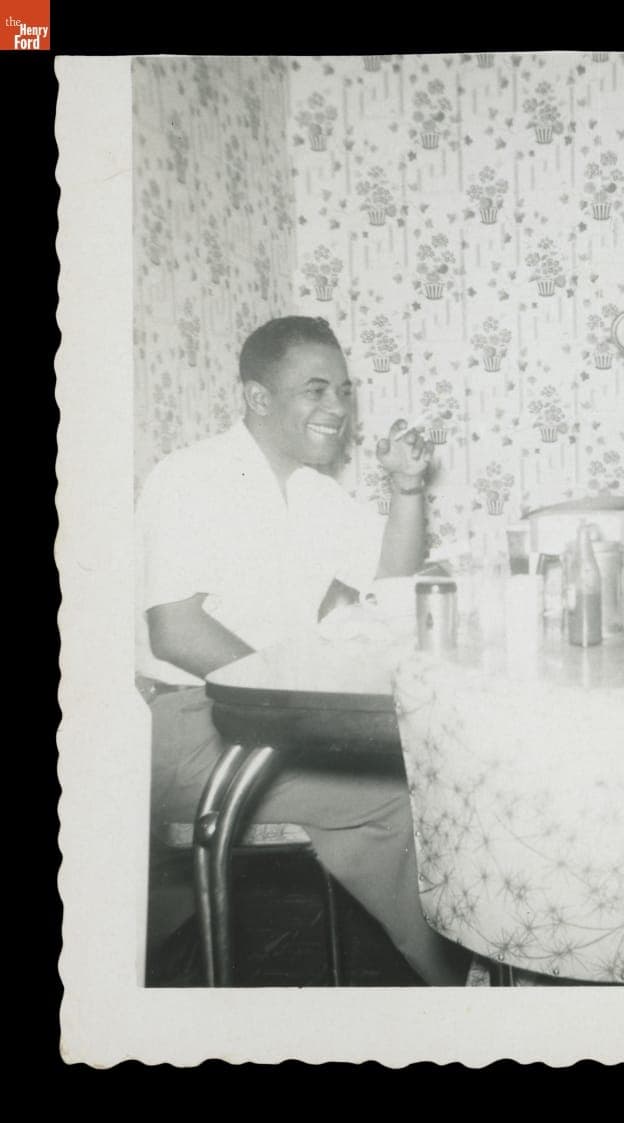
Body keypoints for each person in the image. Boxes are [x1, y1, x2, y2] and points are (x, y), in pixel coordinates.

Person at [136, 315, 469, 984]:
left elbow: (391, 580)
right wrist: (292, 698)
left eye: (344, 391)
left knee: (435, 766)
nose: (337, 409)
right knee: (398, 796)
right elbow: (173, 627)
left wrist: (406, 490)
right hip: (186, 730)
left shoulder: (314, 493)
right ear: (258, 397)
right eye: (316, 390)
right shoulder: (188, 477)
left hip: (266, 727)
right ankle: (464, 985)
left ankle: (457, 966)